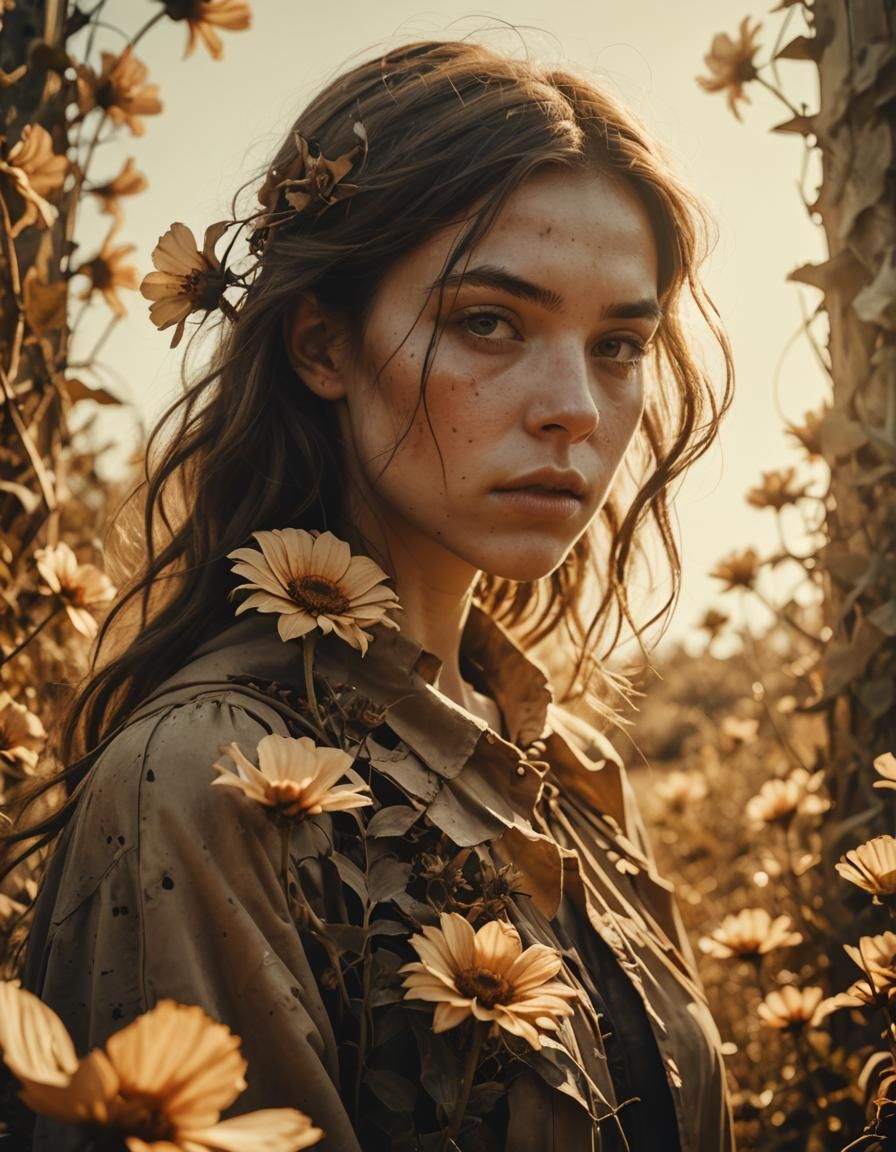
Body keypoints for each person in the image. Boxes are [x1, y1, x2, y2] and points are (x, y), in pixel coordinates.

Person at [11, 37, 735, 1152]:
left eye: (618, 343)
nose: (574, 409)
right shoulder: (211, 779)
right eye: (488, 320)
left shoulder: (574, 771)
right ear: (321, 345)